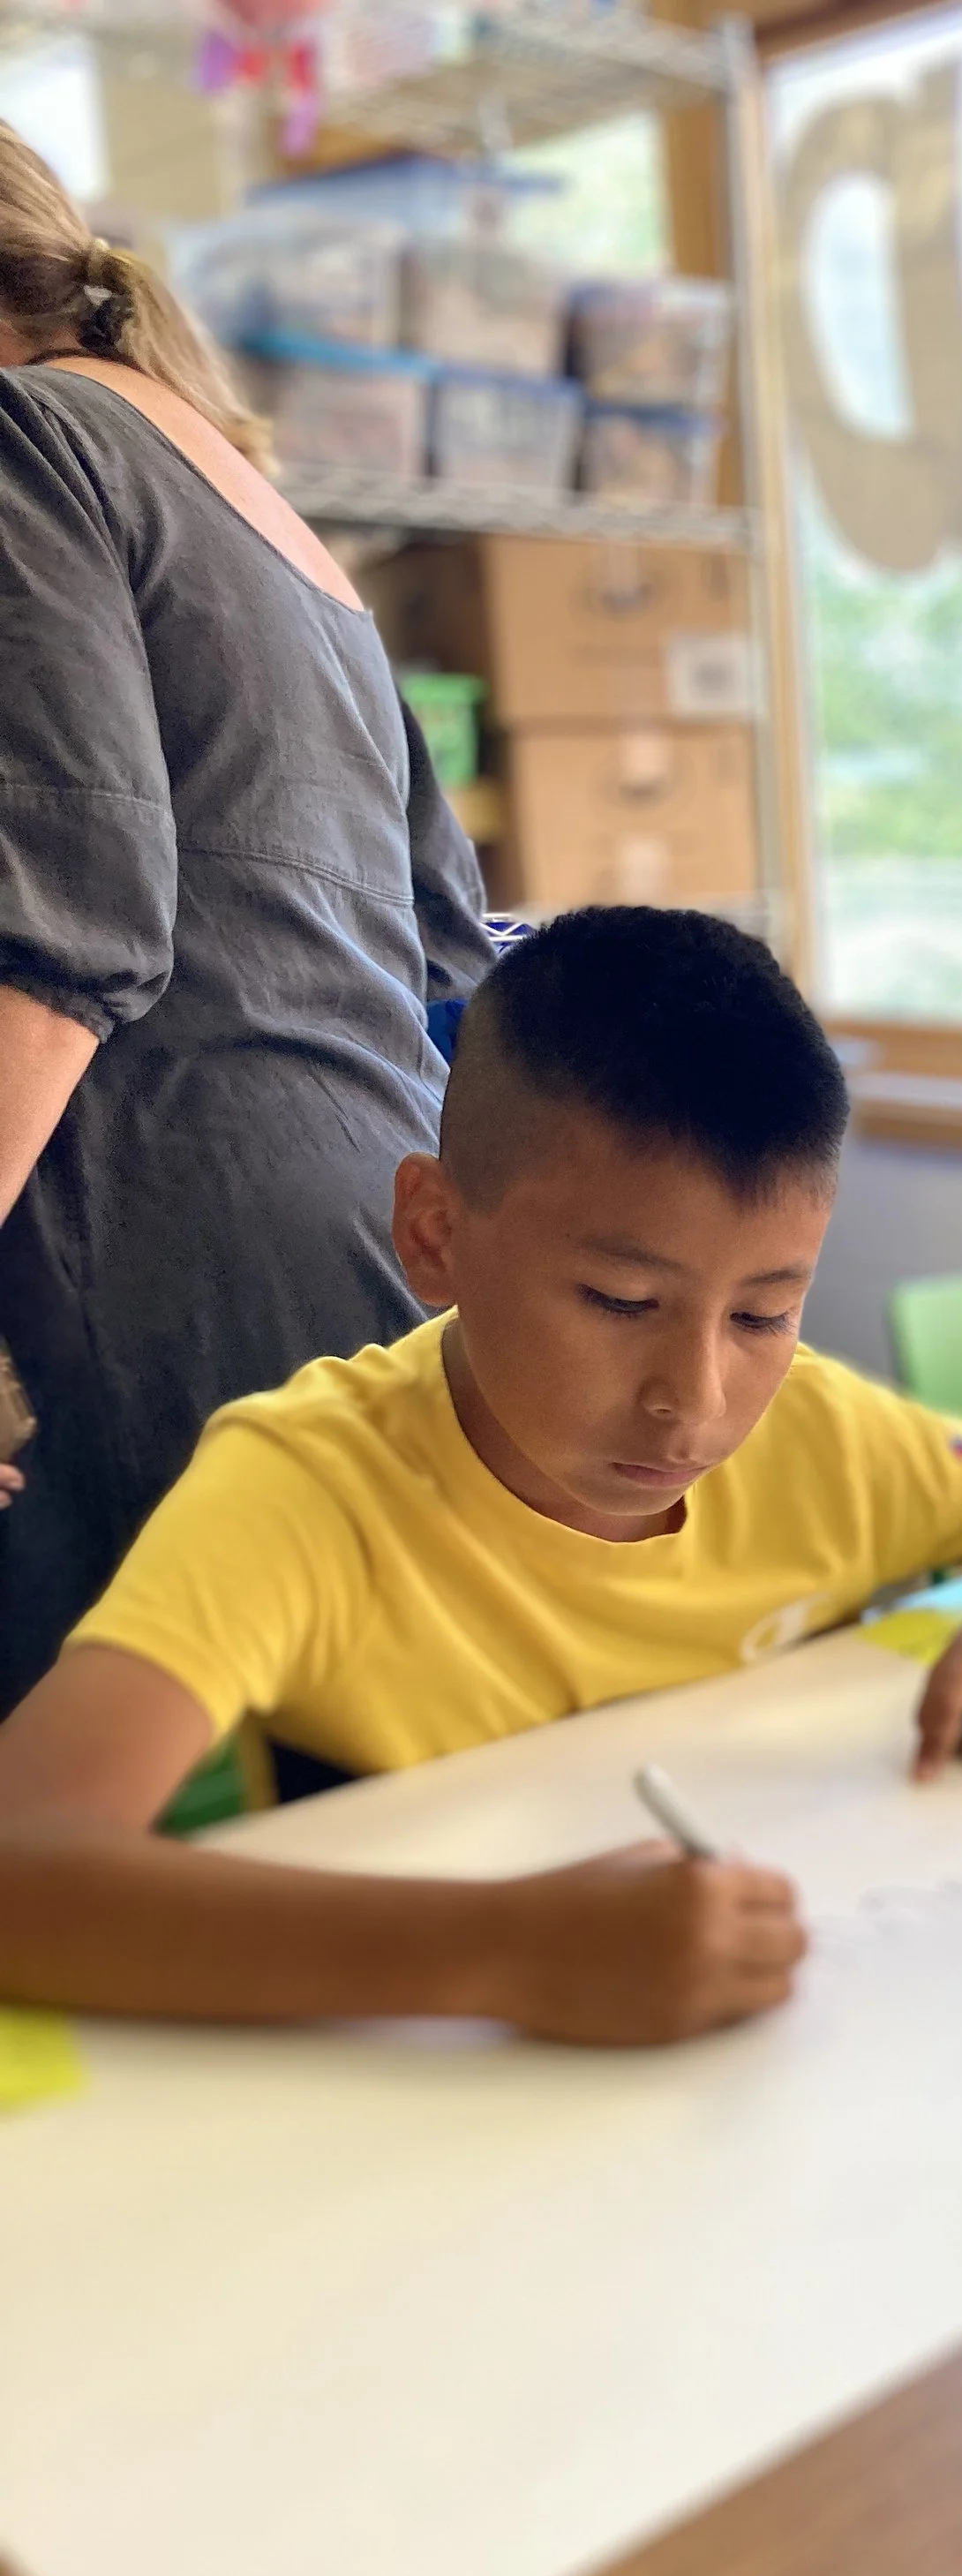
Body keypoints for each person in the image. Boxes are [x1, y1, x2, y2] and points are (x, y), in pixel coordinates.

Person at [0, 908, 962, 2046]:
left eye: (762, 1314)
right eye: (619, 1301)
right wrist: (507, 1954)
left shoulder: (817, 1435)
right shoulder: (310, 1489)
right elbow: (20, 1866)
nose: (694, 1400)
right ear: (435, 1233)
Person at [0, 124, 493, 1708]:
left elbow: (65, 930)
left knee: (100, 1812)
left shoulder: (27, 440)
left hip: (166, 1257)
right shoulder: (266, 510)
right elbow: (446, 942)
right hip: (379, 1244)